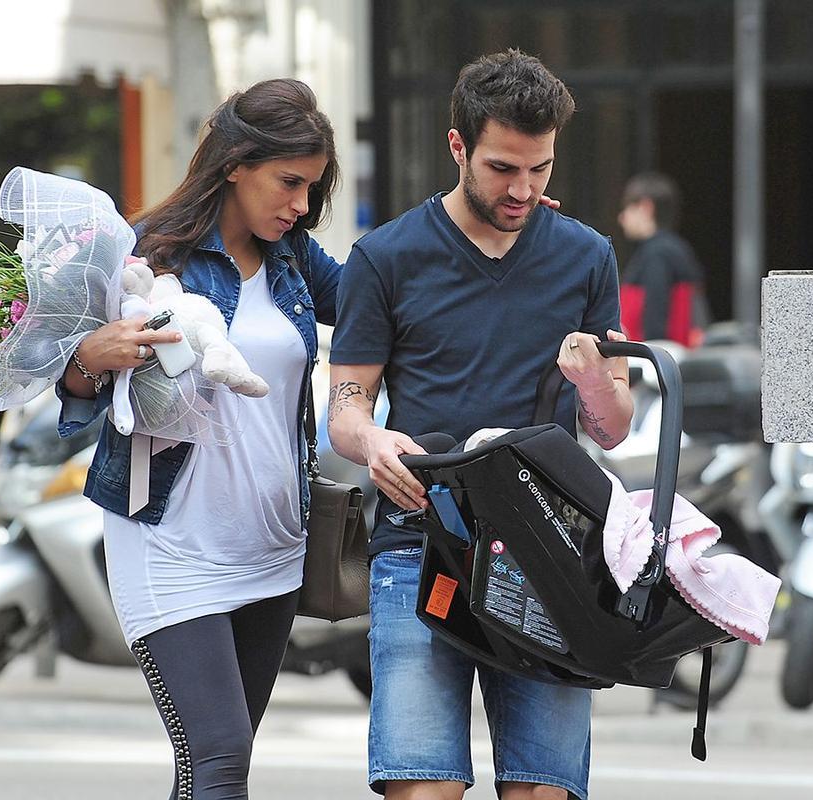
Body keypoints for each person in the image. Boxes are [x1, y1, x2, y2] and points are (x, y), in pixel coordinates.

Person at [328, 49, 634, 800]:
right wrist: (374, 440)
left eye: (540, 169)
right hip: (420, 540)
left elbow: (615, 427)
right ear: (457, 146)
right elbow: (345, 406)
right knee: (421, 785)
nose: (523, 189)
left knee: (540, 790)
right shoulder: (386, 257)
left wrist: (590, 377)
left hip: (553, 550)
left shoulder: (587, 256)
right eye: (503, 168)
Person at [55, 78, 342, 800]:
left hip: (273, 543)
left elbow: (396, 293)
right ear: (236, 163)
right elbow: (62, 378)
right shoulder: (145, 251)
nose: (301, 205)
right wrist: (91, 357)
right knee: (218, 757)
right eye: (289, 183)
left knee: (215, 766)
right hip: (170, 539)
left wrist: (497, 227)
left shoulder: (297, 261)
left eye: (312, 188)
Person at [616, 171, 706, 346]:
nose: (621, 217)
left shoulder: (657, 253)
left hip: (655, 358)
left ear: (645, 207)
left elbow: (655, 314)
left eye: (627, 208)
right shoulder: (675, 248)